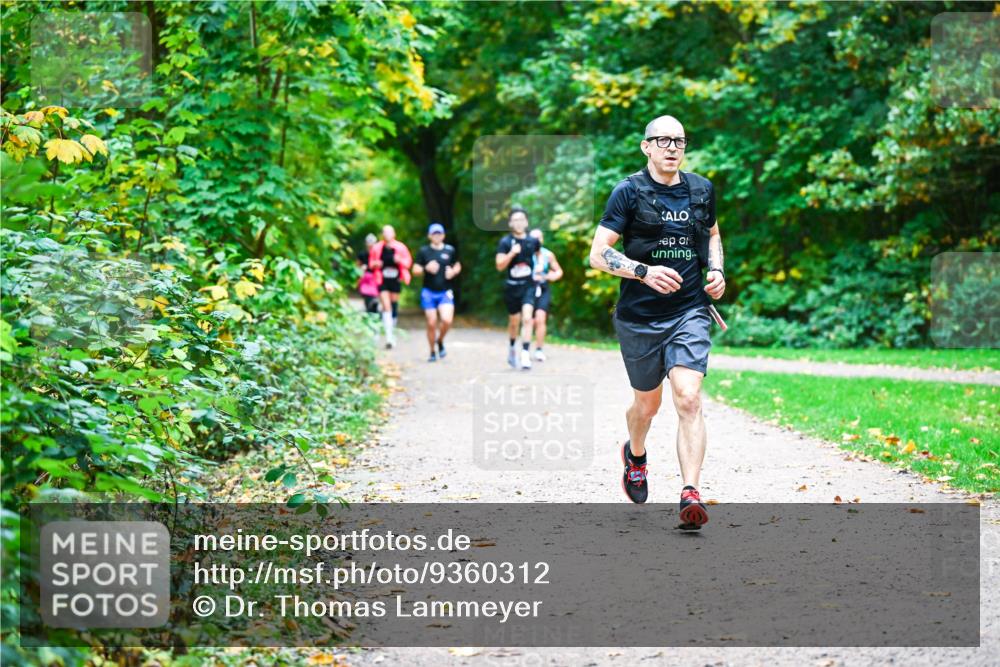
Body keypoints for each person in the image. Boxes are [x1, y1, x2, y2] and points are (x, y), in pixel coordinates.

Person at [588, 115, 726, 529]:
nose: (672, 147)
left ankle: (690, 492)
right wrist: (643, 272)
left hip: (689, 310)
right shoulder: (628, 192)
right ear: (646, 146)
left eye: (680, 141)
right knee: (647, 405)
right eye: (663, 140)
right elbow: (598, 254)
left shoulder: (701, 190)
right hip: (639, 318)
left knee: (688, 397)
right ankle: (636, 453)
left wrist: (716, 270)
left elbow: (714, 234)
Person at [495, 207, 540, 370]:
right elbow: (499, 265)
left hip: (528, 285)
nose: (519, 223)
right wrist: (511, 254)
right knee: (514, 322)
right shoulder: (505, 242)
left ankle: (525, 354)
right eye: (515, 220)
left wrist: (540, 271)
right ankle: (512, 346)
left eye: (521, 219)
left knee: (527, 318)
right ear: (510, 223)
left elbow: (539, 256)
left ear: (526, 222)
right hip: (512, 287)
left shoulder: (533, 241)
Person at [413, 223, 462, 362]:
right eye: (434, 234)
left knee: (447, 320)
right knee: (431, 322)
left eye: (439, 233)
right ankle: (432, 351)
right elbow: (415, 270)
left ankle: (440, 341)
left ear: (443, 235)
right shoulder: (424, 251)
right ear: (429, 236)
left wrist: (453, 272)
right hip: (428, 292)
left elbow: (457, 265)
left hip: (445, 292)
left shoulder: (450, 250)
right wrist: (425, 268)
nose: (437, 236)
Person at [368, 225, 412, 349]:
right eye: (385, 232)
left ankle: (392, 330)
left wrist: (399, 261)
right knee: (386, 306)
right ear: (382, 234)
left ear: (394, 234)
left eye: (389, 232)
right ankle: (389, 337)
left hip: (395, 279)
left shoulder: (400, 247)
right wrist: (377, 264)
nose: (387, 234)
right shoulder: (377, 248)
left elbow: (408, 263)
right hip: (381, 279)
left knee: (393, 306)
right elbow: (371, 263)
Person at [528, 228, 563, 362]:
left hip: (542, 288)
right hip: (528, 289)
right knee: (529, 320)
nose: (537, 240)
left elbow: (559, 271)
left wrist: (551, 276)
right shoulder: (525, 253)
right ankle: (525, 348)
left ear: (542, 239)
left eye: (539, 237)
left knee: (540, 319)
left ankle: (539, 349)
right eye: (534, 237)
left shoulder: (548, 255)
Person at [356, 233, 380, 315]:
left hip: (375, 277)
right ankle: (370, 310)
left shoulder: (378, 254)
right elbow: (357, 266)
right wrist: (361, 269)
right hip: (365, 278)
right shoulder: (362, 254)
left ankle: (374, 309)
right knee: (367, 297)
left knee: (374, 296)